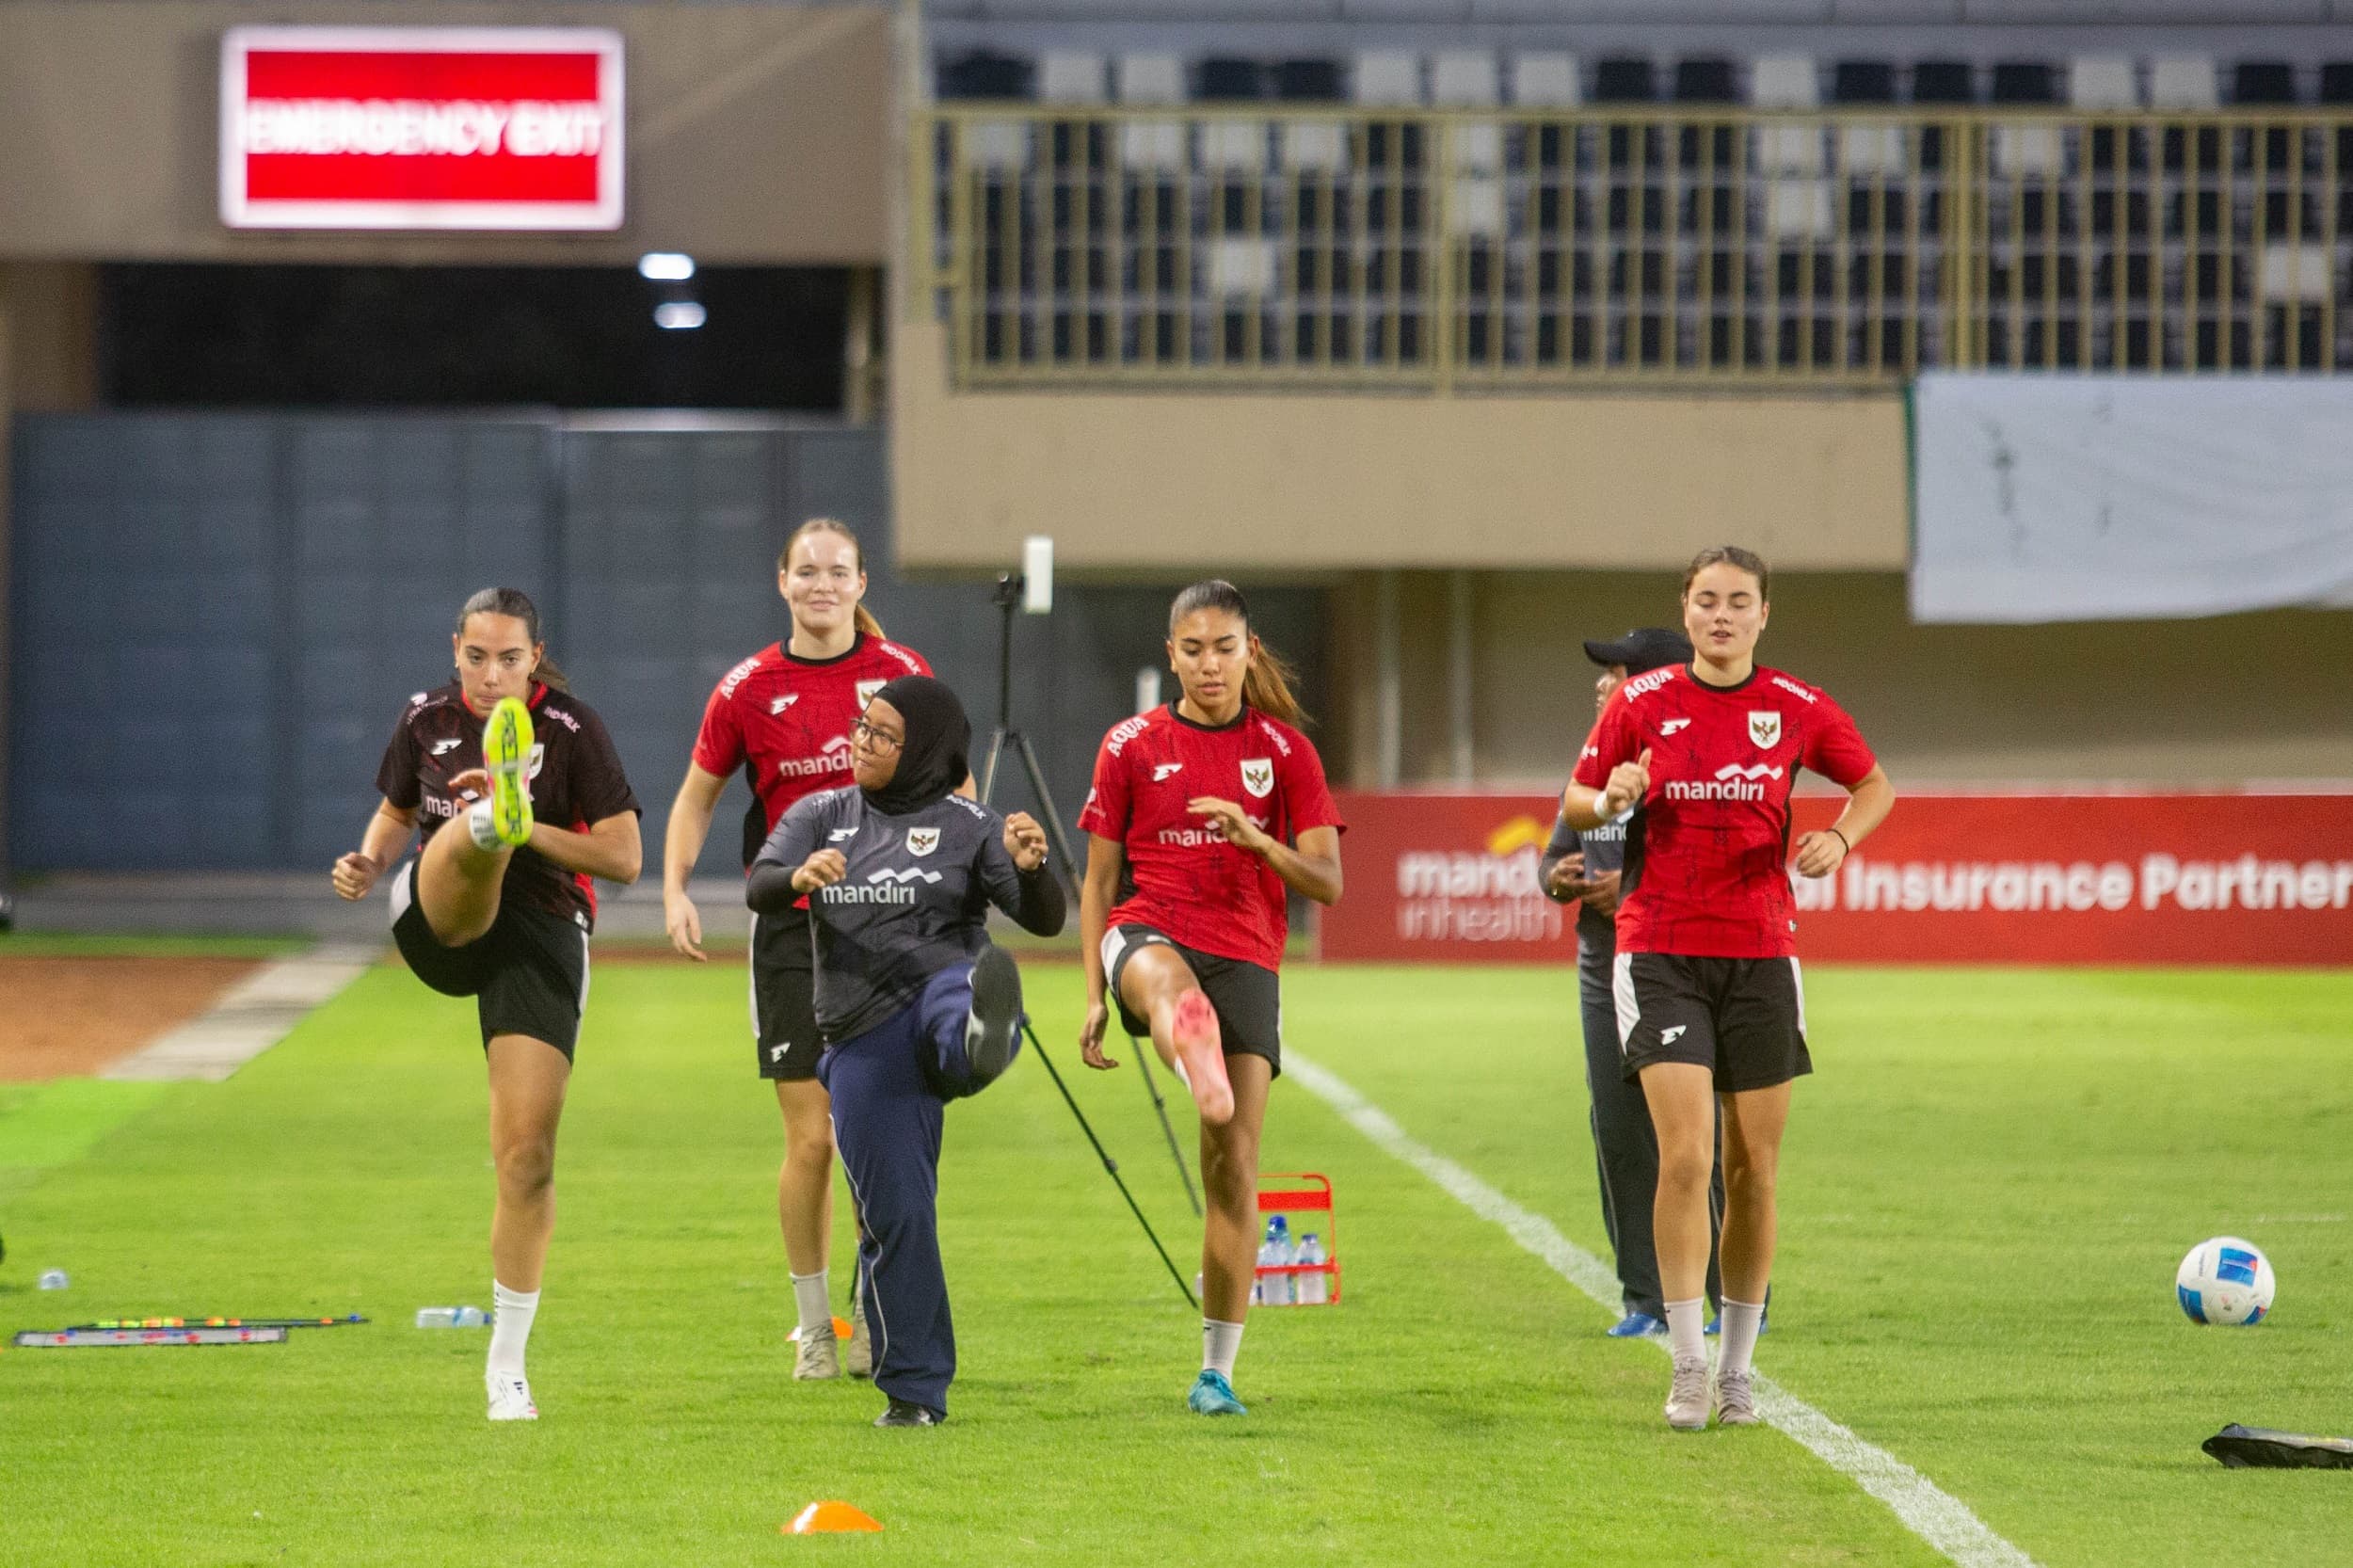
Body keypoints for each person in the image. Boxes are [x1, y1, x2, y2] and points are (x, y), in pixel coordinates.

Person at [1561, 547, 1893, 1432]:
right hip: (1660, 949)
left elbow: (1873, 784)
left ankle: (1740, 1370)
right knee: (1686, 1158)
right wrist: (1615, 793)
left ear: (1762, 615)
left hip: (1760, 951)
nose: (1720, 615)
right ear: (1688, 608)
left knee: (1754, 1168)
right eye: (1705, 601)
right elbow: (1580, 799)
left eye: (1737, 602)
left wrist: (1841, 840)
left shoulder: (1796, 707)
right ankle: (1687, 1363)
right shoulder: (1640, 703)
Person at [331, 587, 643, 1422]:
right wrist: (367, 858)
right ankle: (483, 825)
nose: (491, 674)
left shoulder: (574, 729)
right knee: (468, 838)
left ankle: (506, 1368)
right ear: (456, 649)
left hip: (540, 930)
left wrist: (532, 829)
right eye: (476, 656)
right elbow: (397, 811)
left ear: (535, 657)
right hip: (442, 915)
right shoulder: (424, 719)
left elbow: (623, 857)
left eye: (509, 658)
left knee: (525, 1160)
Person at [746, 676, 1064, 1428]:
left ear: (923, 748)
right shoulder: (821, 813)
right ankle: (915, 1396)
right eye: (863, 725)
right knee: (898, 1216)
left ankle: (979, 1038)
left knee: (954, 1005)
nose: (862, 740)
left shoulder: (971, 824)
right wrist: (799, 875)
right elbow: (762, 884)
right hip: (860, 1033)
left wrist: (1029, 868)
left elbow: (1045, 919)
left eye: (884, 734)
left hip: (940, 989)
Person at [663, 517, 930, 1381]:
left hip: (885, 927)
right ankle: (816, 1328)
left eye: (838, 571)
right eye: (806, 571)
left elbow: (954, 788)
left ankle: (875, 1306)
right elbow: (697, 798)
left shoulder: (902, 677)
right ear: (782, 582)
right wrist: (675, 890)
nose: (822, 584)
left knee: (871, 1133)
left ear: (860, 584)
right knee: (810, 1138)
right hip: (789, 931)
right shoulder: (747, 689)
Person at [1076, 580, 1344, 1418]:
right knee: (1166, 985)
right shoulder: (1128, 745)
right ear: (1171, 656)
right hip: (1148, 929)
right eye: (1192, 650)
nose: (1208, 665)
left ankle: (1217, 1372)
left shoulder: (1288, 753)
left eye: (1223, 648)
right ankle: (1185, 1034)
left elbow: (1329, 883)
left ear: (1248, 651)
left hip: (1247, 956)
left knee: (1233, 1168)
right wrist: (1092, 991)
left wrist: (1256, 837)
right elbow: (1098, 884)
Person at [1538, 626, 1725, 1338]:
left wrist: (1637, 888)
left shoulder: (1704, 766)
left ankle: (1733, 1294)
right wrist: (1557, 881)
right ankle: (1643, 1299)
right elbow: (1557, 855)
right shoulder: (1593, 772)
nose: (1601, 683)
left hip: (1678, 963)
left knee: (1694, 1136)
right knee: (1616, 1130)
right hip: (1600, 965)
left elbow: (1723, 867)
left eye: (1615, 671)